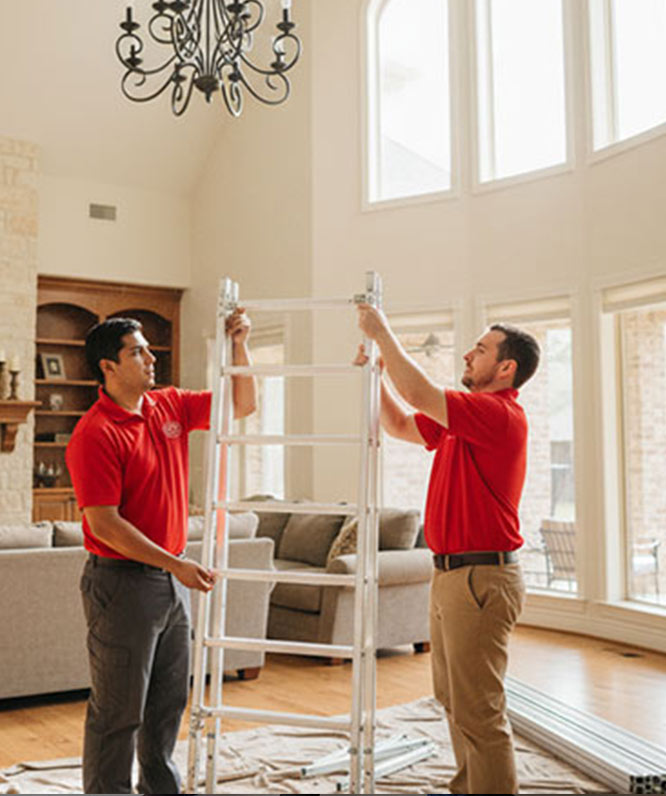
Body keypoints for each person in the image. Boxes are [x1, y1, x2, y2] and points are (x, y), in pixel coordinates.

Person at [66, 310, 256, 795]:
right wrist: (176, 564)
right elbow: (104, 523)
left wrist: (239, 345)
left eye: (149, 348)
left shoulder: (168, 406)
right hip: (123, 583)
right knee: (118, 711)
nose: (152, 357)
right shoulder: (95, 433)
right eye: (137, 351)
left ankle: (160, 789)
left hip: (173, 581)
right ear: (108, 367)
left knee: (167, 704)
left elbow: (243, 403)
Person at [356, 304, 540, 795]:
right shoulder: (464, 418)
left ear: (506, 369)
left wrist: (383, 332)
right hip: (452, 576)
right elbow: (399, 423)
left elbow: (417, 391)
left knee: (479, 709)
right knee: (454, 700)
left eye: (480, 350)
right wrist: (376, 375)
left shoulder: (498, 415)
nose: (467, 354)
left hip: (482, 578)